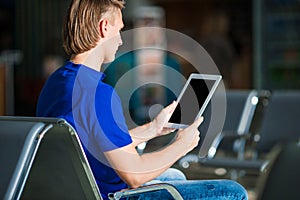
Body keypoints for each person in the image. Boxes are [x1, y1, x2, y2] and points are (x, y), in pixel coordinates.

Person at [36, 0, 248, 199]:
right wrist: (182, 146)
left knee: (175, 177)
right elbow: (134, 176)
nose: (120, 40)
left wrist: (152, 129)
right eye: (119, 30)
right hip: (114, 195)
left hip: (77, 190)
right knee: (233, 191)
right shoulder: (98, 94)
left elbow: (95, 141)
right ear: (104, 28)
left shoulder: (57, 83)